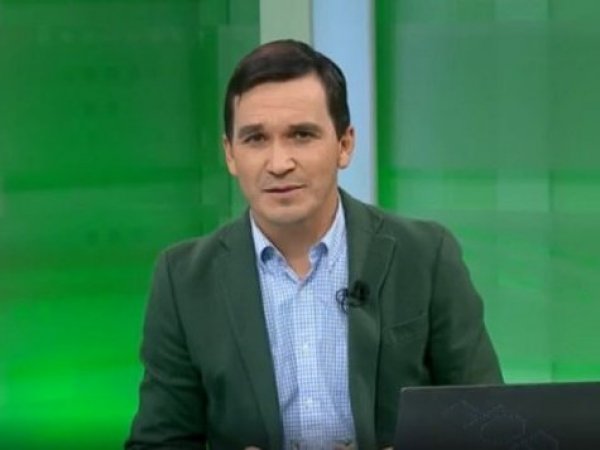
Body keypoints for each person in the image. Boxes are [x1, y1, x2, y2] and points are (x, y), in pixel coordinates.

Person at [125, 39, 502, 450]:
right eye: (255, 139)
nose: (279, 163)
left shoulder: (426, 256)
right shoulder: (183, 279)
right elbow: (159, 442)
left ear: (344, 144)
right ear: (230, 154)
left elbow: (490, 427)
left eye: (301, 135)